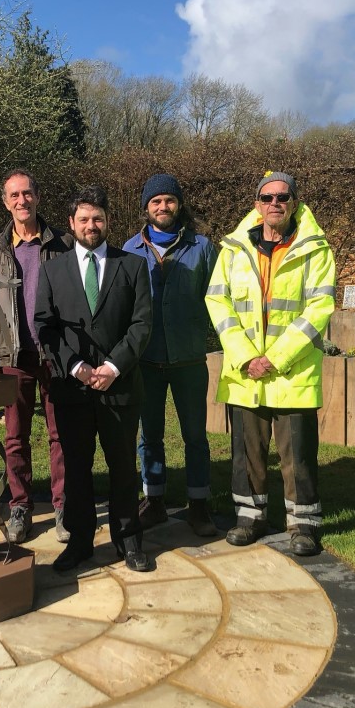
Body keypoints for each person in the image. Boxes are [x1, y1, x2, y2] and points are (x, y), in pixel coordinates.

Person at [205, 171, 336, 556]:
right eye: (267, 197)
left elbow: (320, 307)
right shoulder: (232, 249)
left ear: (294, 202)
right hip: (246, 372)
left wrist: (274, 358)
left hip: (292, 371)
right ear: (256, 204)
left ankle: (304, 524)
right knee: (247, 452)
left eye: (283, 197)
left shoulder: (316, 248)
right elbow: (218, 301)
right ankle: (249, 517)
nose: (274, 203)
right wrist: (246, 356)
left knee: (297, 454)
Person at [35, 185, 152, 572]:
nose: (91, 225)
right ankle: (80, 541)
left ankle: (128, 539)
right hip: (72, 389)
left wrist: (113, 367)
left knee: (122, 466)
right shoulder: (52, 270)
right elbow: (45, 327)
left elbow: (141, 324)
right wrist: (74, 366)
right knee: (77, 469)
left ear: (108, 221)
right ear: (71, 224)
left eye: (97, 218)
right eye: (83, 219)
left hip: (120, 386)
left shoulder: (131, 266)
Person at [0, 169, 72, 544]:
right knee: (15, 437)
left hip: (55, 354)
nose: (21, 201)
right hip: (13, 356)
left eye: (27, 193)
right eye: (14, 195)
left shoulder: (63, 243)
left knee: (59, 434)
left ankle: (63, 504)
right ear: (5, 201)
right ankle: (20, 506)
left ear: (37, 197)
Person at [122, 173, 218, 537]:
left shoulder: (202, 247)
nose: (163, 206)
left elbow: (216, 299)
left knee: (195, 435)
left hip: (190, 360)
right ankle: (155, 501)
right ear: (146, 207)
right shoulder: (130, 250)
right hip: (145, 361)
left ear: (179, 204)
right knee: (150, 436)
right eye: (156, 201)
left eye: (169, 200)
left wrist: (200, 333)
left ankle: (199, 505)